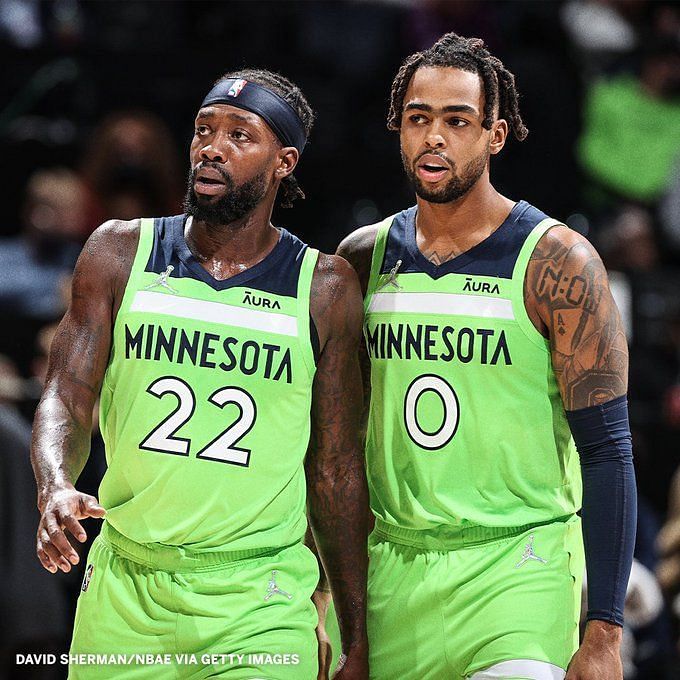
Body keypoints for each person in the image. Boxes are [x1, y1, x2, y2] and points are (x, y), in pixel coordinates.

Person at [31, 69, 369, 680]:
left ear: (284, 162)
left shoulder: (324, 288)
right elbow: (67, 394)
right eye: (204, 130)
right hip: (125, 587)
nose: (212, 146)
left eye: (241, 135)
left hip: (255, 594)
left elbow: (336, 467)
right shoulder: (118, 252)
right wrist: (55, 482)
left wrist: (354, 628)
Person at [335, 33, 636, 680]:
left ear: (495, 135)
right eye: (418, 119)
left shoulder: (560, 262)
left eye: (456, 120)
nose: (433, 137)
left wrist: (605, 629)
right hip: (394, 570)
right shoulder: (360, 259)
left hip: (517, 571)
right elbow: (335, 442)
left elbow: (608, 449)